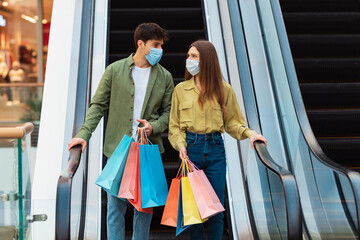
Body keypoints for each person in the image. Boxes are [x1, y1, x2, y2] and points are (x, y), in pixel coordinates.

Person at [68, 23, 174, 240]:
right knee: (115, 207)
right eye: (156, 45)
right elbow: (97, 105)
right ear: (141, 44)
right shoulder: (114, 70)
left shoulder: (165, 77)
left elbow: (170, 114)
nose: (159, 50)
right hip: (117, 149)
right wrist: (84, 134)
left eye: (161, 46)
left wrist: (154, 125)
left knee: (144, 209)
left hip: (147, 149)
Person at [168, 40, 267, 240]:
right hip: (190, 150)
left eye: (194, 56)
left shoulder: (224, 89)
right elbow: (175, 126)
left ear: (207, 60)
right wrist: (180, 145)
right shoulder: (181, 90)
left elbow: (232, 123)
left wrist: (250, 134)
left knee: (216, 210)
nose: (190, 60)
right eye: (189, 56)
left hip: (215, 149)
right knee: (193, 210)